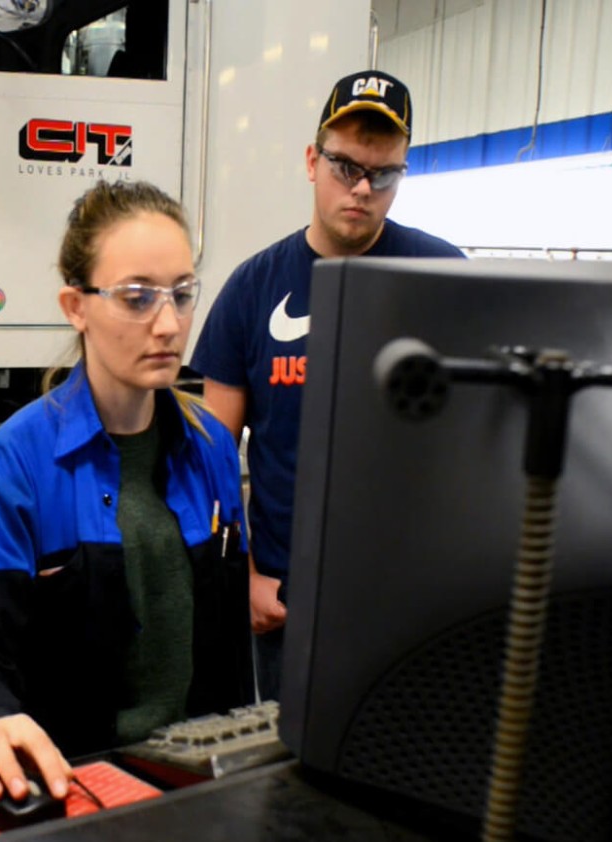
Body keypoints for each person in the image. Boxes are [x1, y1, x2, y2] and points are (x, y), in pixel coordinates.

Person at [0, 180, 253, 826]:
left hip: (200, 788)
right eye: (137, 297)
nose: (169, 323)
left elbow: (228, 654)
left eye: (182, 294)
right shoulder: (19, 463)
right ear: (76, 306)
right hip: (83, 799)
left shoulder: (210, 446)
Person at [190, 70, 465, 700]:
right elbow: (213, 459)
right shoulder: (253, 289)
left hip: (413, 590)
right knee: (290, 756)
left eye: (383, 174)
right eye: (345, 167)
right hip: (289, 593)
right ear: (313, 162)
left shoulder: (444, 278)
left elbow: (474, 441)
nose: (362, 188)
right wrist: (247, 573)